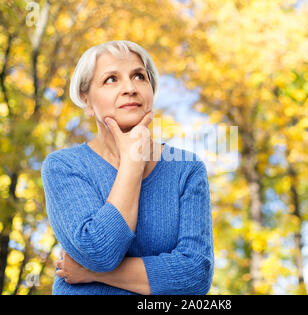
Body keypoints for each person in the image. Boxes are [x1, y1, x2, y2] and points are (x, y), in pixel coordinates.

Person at [41, 40, 214, 295]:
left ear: (151, 92)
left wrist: (88, 272)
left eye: (138, 76)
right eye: (111, 79)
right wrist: (133, 163)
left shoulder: (187, 169)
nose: (130, 88)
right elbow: (99, 252)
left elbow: (194, 275)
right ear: (87, 102)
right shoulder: (63, 166)